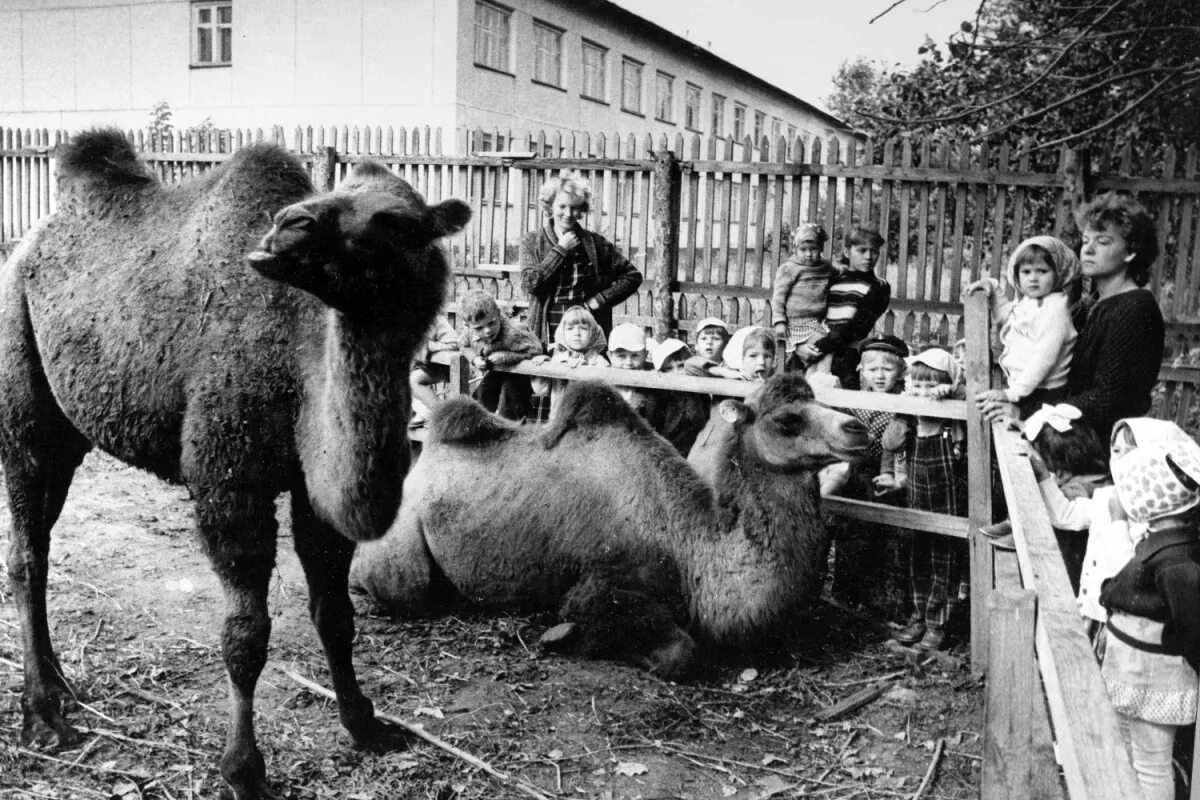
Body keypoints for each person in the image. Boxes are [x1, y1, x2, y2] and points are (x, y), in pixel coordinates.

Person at [977, 194, 1164, 440]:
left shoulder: (1136, 310)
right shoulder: (1089, 304)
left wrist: (1026, 411)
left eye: (1103, 241)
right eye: (1086, 240)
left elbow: (1107, 401)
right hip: (1066, 436)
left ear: (1130, 252)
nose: (1088, 249)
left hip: (1101, 449)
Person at [1098, 418, 1200, 800]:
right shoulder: (1164, 542)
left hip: (1155, 677)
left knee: (1151, 763)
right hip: (1135, 671)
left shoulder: (1176, 562)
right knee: (1130, 752)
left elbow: (1194, 625)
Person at [876, 348, 967, 651]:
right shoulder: (912, 422)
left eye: (931, 385)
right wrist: (905, 408)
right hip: (917, 501)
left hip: (946, 502)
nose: (925, 392)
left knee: (944, 559)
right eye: (918, 384)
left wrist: (952, 392)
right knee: (918, 557)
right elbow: (890, 442)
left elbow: (968, 391)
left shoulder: (950, 420)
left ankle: (937, 622)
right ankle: (919, 615)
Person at [519, 170, 643, 345]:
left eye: (574, 207)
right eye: (562, 206)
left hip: (586, 322)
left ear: (581, 210)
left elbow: (632, 276)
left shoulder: (595, 244)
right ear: (550, 206)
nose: (568, 213)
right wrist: (561, 249)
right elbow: (531, 284)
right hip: (548, 323)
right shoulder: (532, 241)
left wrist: (601, 299)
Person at [1016, 405, 1122, 603]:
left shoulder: (1078, 490)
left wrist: (1043, 475)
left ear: (1062, 470)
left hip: (1073, 572)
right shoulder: (1099, 479)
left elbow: (1063, 514)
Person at [967, 236, 1080, 420]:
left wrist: (1012, 393)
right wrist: (993, 288)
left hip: (1044, 392)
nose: (1033, 279)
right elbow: (1005, 314)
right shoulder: (1031, 302)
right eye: (1026, 272)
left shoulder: (1055, 311)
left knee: (1030, 434)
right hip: (1027, 387)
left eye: (1042, 271)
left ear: (1058, 272)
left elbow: (1043, 359)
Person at [813, 227, 893, 388]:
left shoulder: (879, 287)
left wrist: (823, 345)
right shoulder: (832, 280)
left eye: (874, 251)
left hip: (847, 353)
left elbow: (858, 326)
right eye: (862, 251)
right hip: (818, 345)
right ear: (847, 252)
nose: (869, 257)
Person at [457, 290, 543, 420]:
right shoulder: (469, 332)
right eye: (479, 328)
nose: (487, 331)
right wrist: (474, 359)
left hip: (518, 373)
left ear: (498, 313)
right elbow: (463, 345)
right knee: (482, 395)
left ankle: (512, 433)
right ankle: (479, 430)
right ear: (468, 325)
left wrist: (506, 356)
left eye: (491, 323)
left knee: (510, 400)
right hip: (497, 372)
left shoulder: (513, 334)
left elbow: (536, 350)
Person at [771, 223, 836, 373]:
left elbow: (838, 273)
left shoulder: (825, 267)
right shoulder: (789, 268)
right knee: (823, 347)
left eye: (813, 249)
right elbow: (778, 297)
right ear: (795, 249)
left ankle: (814, 381)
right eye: (803, 249)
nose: (808, 254)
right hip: (796, 323)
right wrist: (780, 322)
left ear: (820, 248)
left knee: (820, 351)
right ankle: (818, 382)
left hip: (818, 322)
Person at [531, 305, 609, 415]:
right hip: (559, 420)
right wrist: (542, 367)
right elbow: (541, 390)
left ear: (593, 333)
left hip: (588, 420)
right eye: (570, 328)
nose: (576, 333)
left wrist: (581, 367)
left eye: (583, 328)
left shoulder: (599, 362)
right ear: (563, 333)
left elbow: (603, 395)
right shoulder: (557, 359)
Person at [644, 338, 709, 455]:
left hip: (697, 451)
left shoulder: (699, 391)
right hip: (667, 452)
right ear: (660, 372)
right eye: (668, 369)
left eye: (681, 366)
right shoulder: (658, 396)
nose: (677, 373)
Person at [409, 313, 459, 429]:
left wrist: (431, 346)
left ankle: (444, 416)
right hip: (420, 366)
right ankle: (423, 413)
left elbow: (455, 343)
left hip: (441, 365)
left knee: (414, 380)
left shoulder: (435, 319)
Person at [696, 326, 777, 382]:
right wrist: (724, 372)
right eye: (753, 356)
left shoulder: (774, 386)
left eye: (767, 356)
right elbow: (690, 364)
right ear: (739, 357)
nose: (761, 362)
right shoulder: (730, 377)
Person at [605, 322, 651, 412]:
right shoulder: (604, 384)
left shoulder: (652, 382)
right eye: (621, 356)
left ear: (645, 355)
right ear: (610, 356)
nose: (628, 362)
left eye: (635, 355)